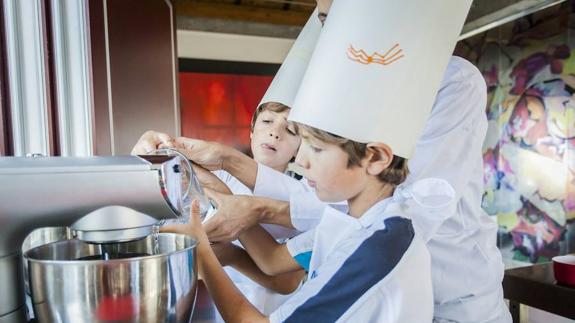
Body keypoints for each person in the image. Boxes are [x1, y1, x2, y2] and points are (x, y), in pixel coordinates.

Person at [159, 0, 473, 321]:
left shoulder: (377, 245)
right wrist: (214, 180)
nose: (302, 161)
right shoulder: (345, 222)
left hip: (457, 301)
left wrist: (206, 252)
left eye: (316, 148)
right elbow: (273, 259)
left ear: (376, 156)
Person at [132, 9, 322, 316]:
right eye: (268, 121)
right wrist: (155, 156)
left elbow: (285, 279)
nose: (275, 131)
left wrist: (229, 255)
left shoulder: (308, 198)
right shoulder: (220, 178)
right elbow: (167, 205)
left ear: (303, 146)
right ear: (251, 130)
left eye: (290, 129)